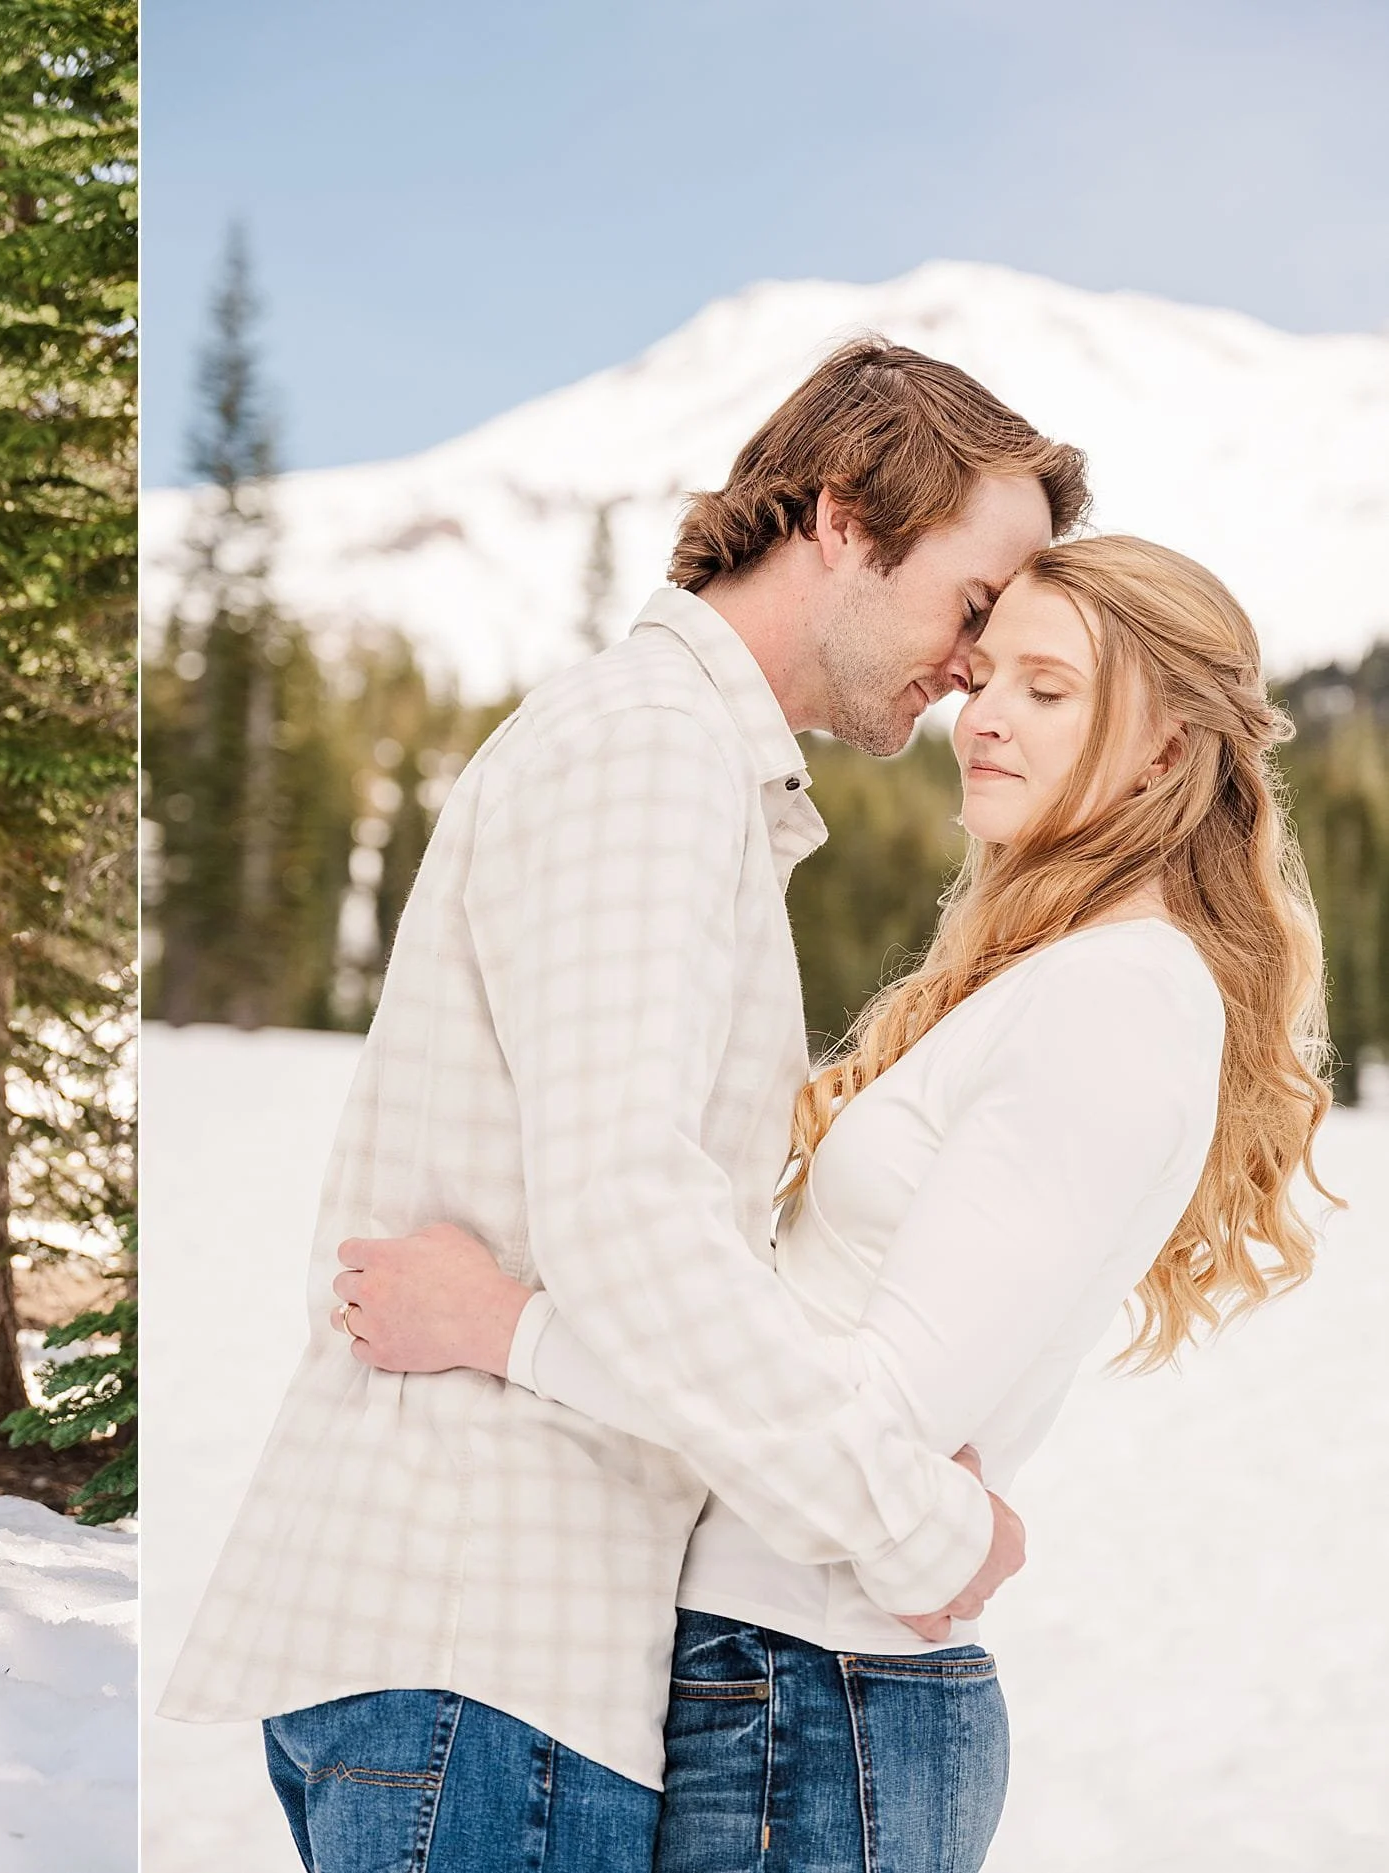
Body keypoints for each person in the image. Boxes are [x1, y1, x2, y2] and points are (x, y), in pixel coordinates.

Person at [161, 341, 1092, 1871]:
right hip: (485, 1644)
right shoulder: (648, 750)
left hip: (500, 1671)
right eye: (974, 609)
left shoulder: (688, 767)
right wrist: (905, 1522)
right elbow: (630, 1217)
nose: (971, 672)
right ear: (846, 518)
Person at [336, 535, 1332, 1871]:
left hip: (815, 1700)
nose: (981, 716)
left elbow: (862, 1427)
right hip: (786, 1686)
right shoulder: (1067, 974)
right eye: (984, 677)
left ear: (1162, 753)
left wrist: (507, 1328)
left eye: (1049, 689)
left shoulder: (1117, 997)